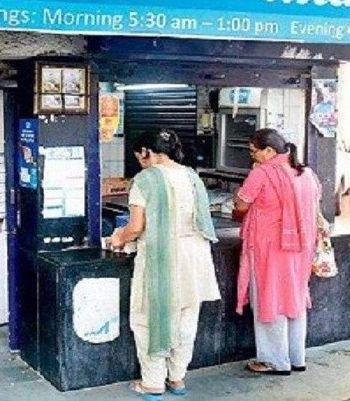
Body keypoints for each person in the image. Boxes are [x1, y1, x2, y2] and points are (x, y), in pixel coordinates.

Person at [110, 130, 220, 396]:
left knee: (149, 318)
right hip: (195, 256)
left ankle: (152, 382)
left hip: (162, 257)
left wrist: (118, 239)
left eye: (139, 156)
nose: (139, 161)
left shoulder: (145, 179)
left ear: (146, 152)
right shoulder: (191, 176)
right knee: (186, 318)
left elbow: (136, 227)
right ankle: (177, 378)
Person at [233, 128, 321, 376]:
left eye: (254, 151)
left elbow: (241, 204)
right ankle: (296, 358)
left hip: (268, 248)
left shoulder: (262, 173)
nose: (252, 156)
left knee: (269, 299)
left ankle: (274, 361)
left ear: (269, 151)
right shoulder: (306, 173)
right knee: (294, 299)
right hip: (300, 247)